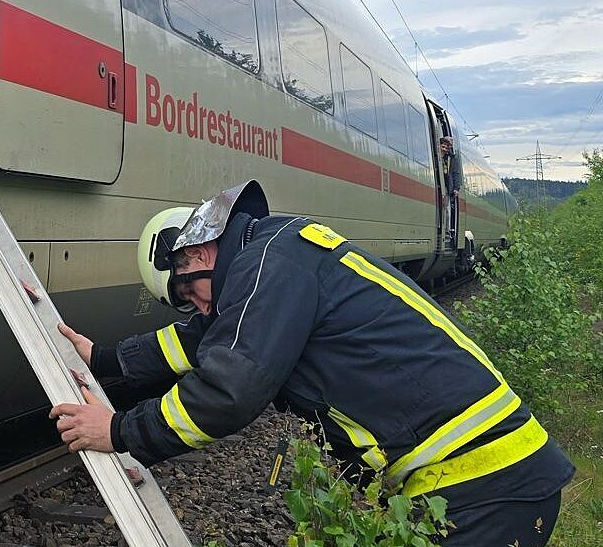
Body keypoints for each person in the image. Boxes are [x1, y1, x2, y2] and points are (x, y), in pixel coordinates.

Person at [51, 180, 573, 546]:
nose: (199, 310)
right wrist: (105, 357)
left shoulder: (268, 263)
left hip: (484, 486)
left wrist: (118, 431)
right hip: (484, 479)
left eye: (188, 294)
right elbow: (203, 338)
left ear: (198, 255)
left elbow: (230, 390)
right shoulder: (272, 254)